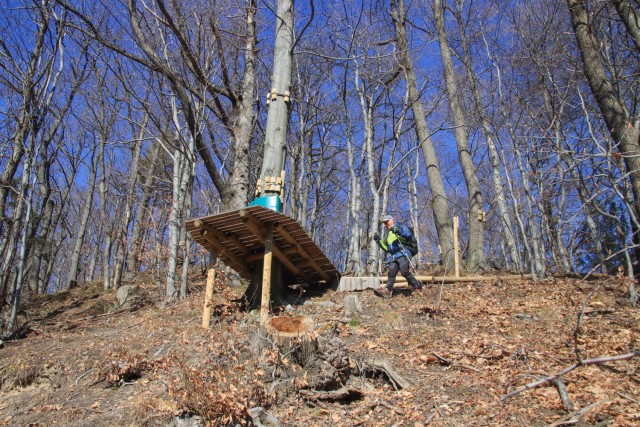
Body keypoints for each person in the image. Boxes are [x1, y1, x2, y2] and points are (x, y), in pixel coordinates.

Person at [373, 215, 422, 298]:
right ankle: (388, 291)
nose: (386, 224)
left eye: (387, 221)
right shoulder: (389, 234)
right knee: (391, 272)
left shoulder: (400, 226)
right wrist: (379, 241)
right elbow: (387, 248)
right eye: (384, 223)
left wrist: (398, 231)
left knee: (404, 271)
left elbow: (408, 235)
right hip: (393, 256)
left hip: (403, 252)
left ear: (392, 220)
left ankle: (417, 286)